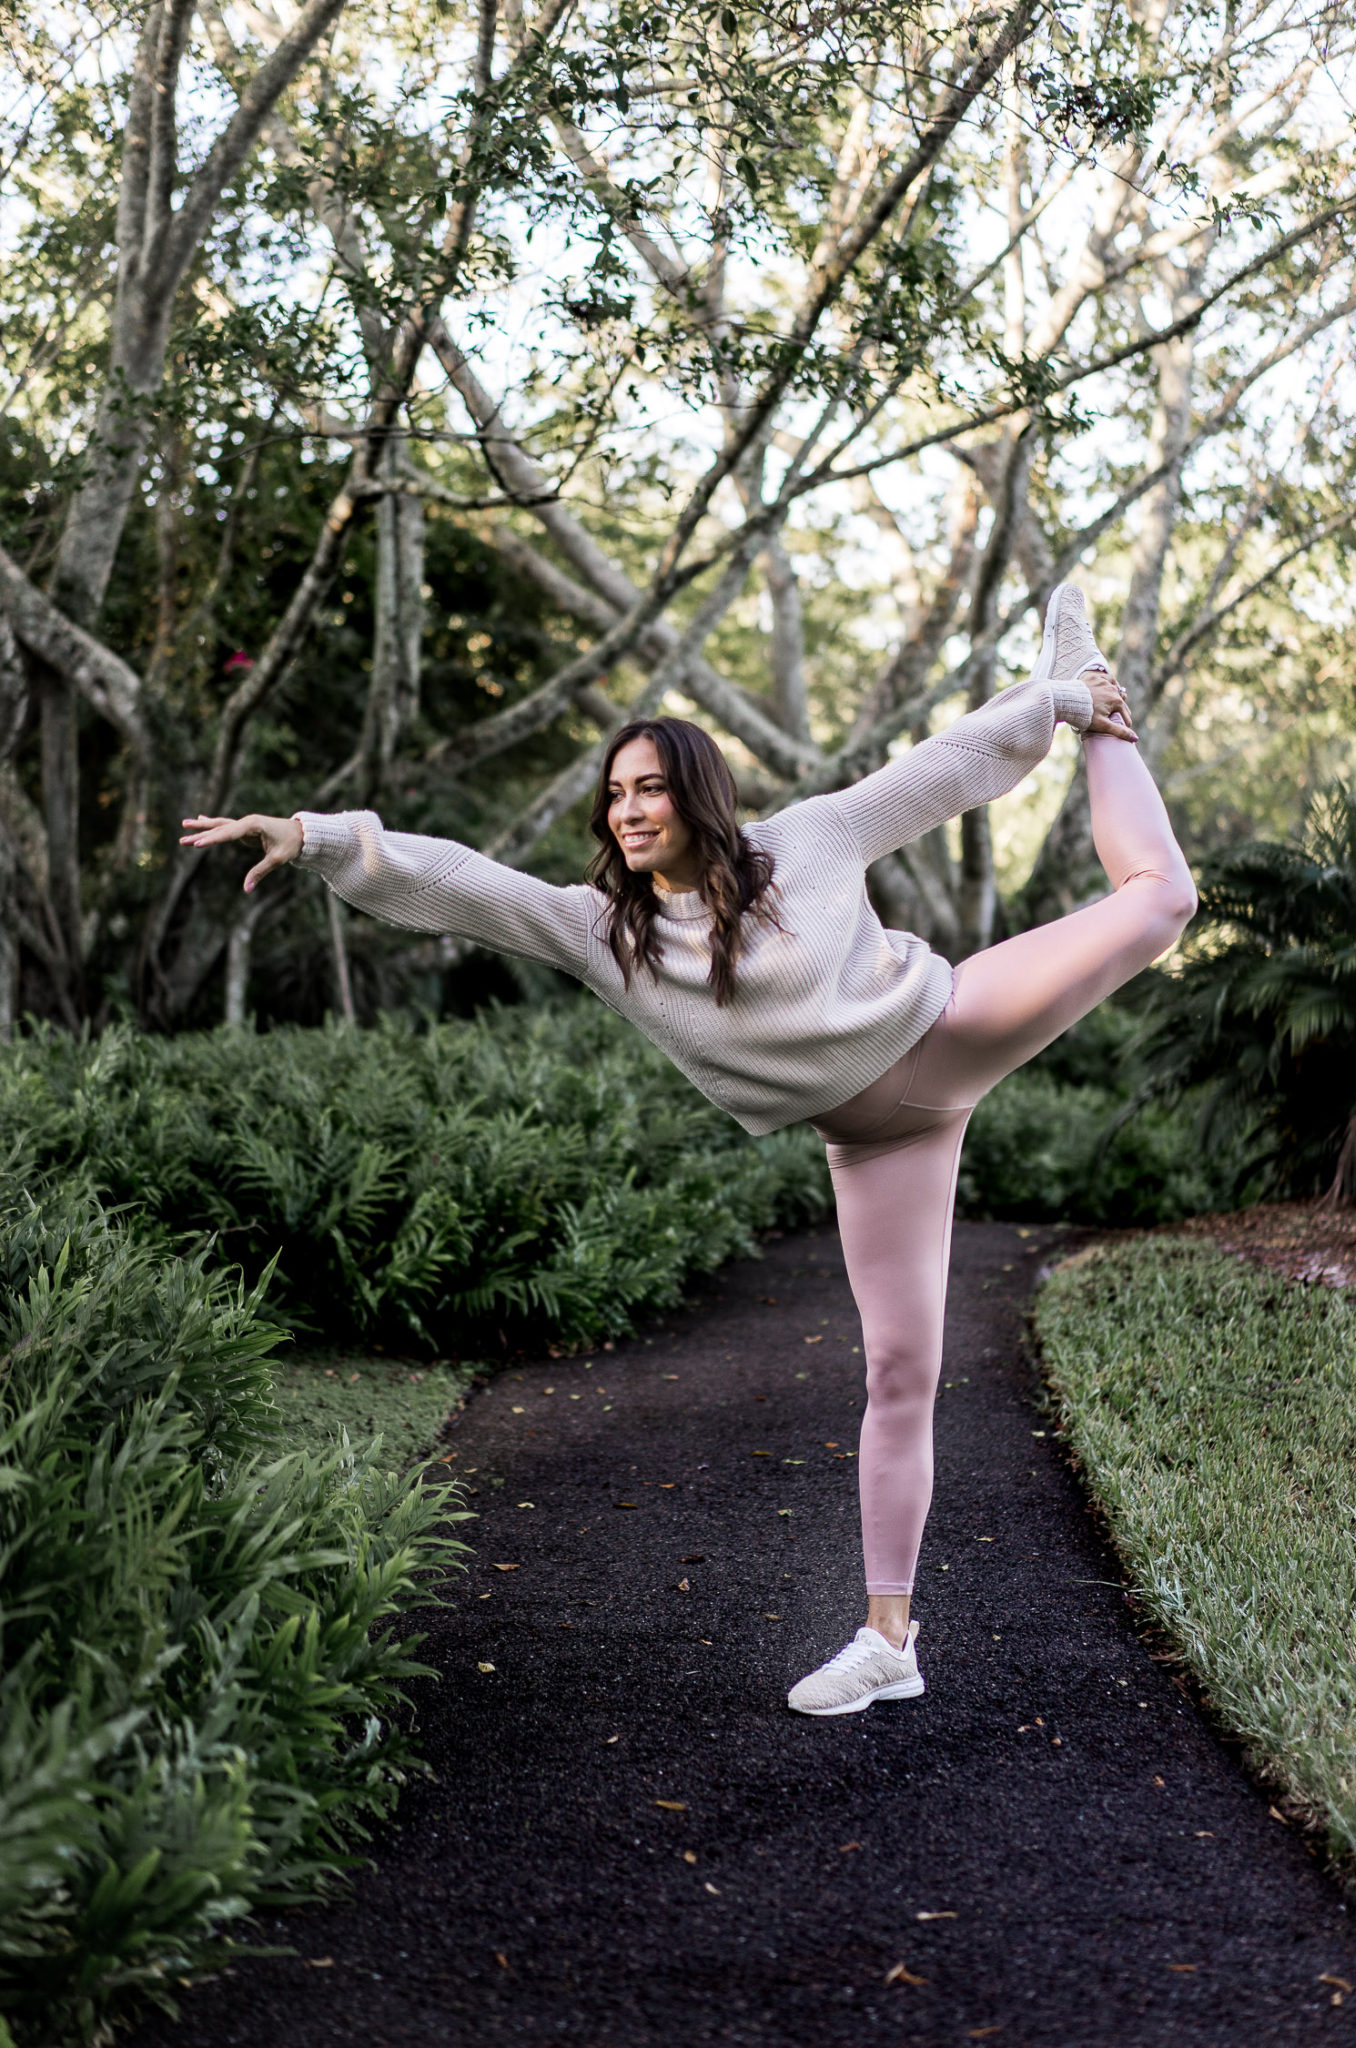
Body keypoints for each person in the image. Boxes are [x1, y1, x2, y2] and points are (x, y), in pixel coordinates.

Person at [183, 584, 1196, 1716]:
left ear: (695, 792)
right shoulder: (600, 933)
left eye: (650, 785)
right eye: (614, 793)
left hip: (947, 1025)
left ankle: (1104, 699)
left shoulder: (803, 843)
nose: (627, 808)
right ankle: (889, 1639)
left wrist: (1058, 700)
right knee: (899, 1371)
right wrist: (316, 836)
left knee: (1163, 901)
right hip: (872, 1143)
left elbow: (947, 767)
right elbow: (463, 882)